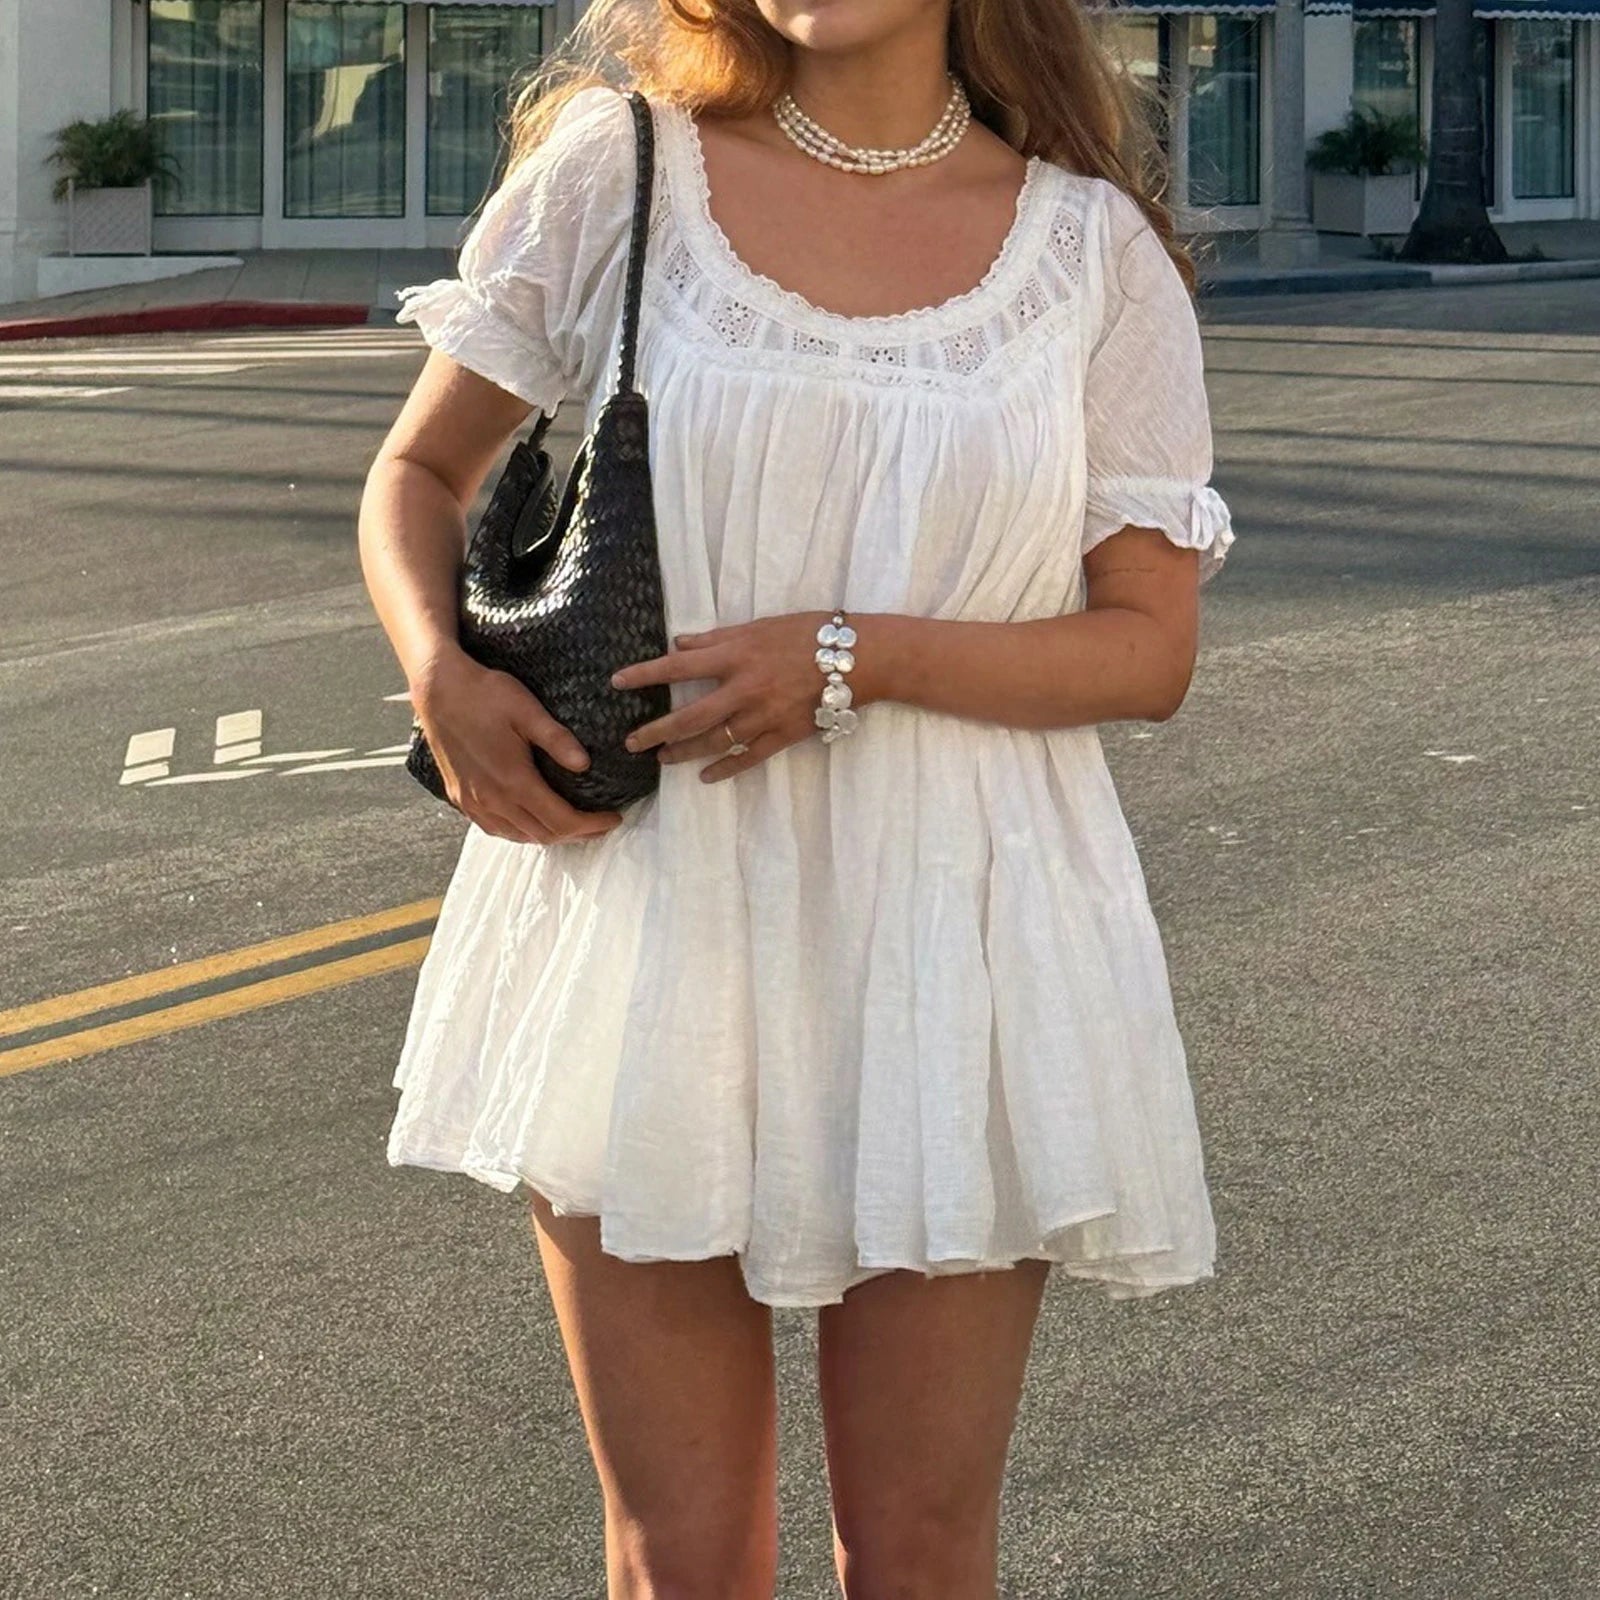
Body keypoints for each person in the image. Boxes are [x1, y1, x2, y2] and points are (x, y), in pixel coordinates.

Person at [358, 0, 1235, 1594]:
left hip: (957, 937)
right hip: (654, 921)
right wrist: (440, 675)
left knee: (915, 1549)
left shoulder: (1091, 251)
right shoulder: (614, 172)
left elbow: (1146, 648)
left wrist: (851, 657)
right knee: (678, 1553)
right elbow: (420, 474)